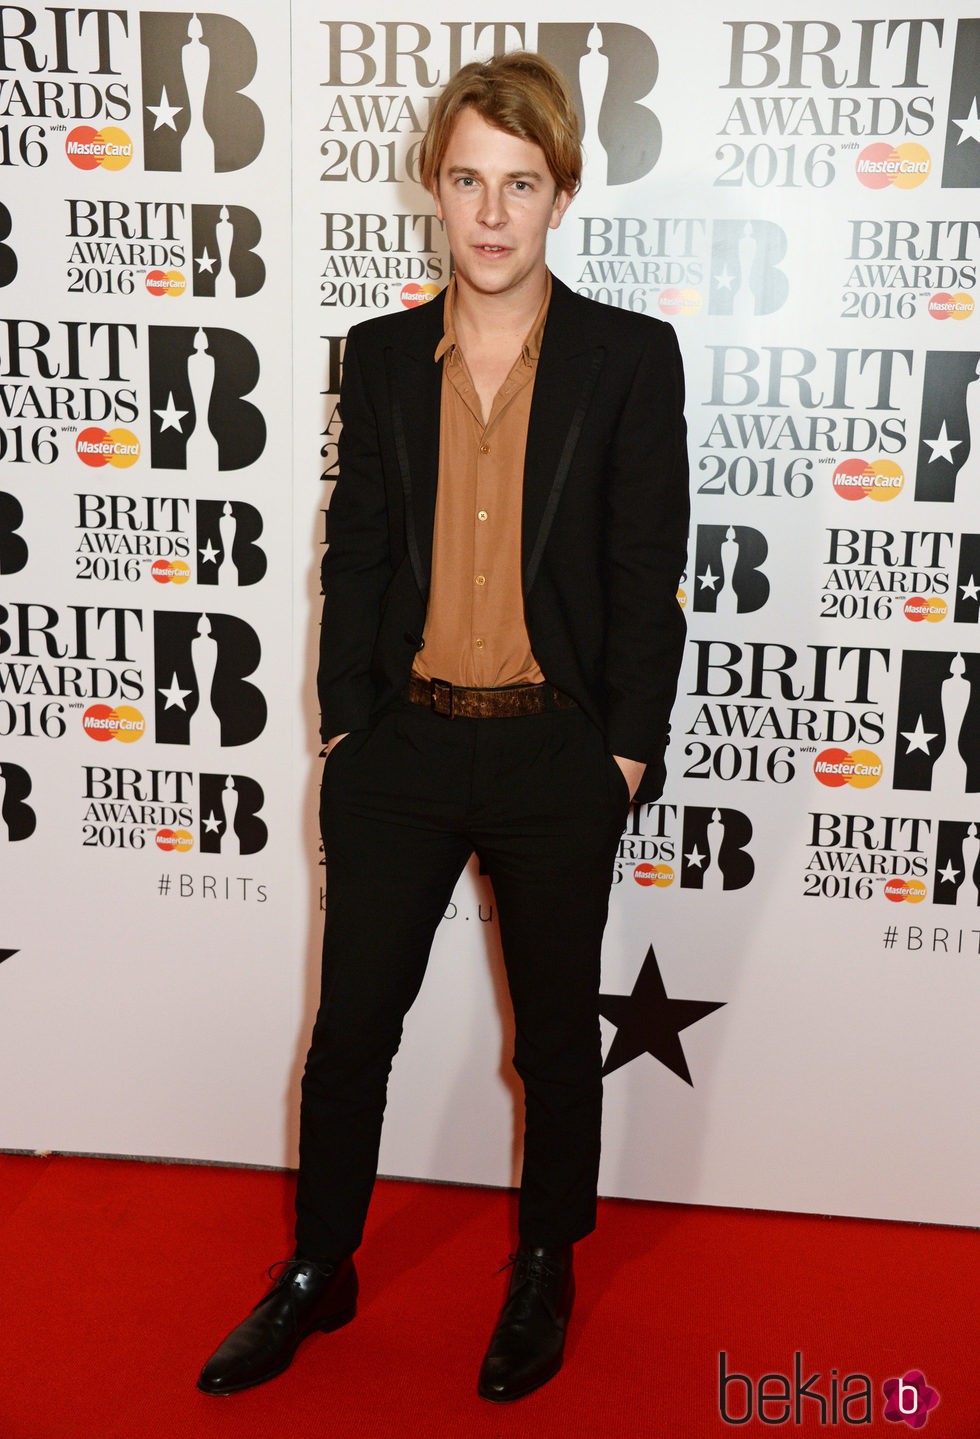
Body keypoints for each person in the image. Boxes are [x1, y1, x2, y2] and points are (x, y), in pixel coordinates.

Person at [198, 49, 689, 1404]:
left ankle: (544, 1263)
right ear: (433, 188)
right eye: (467, 179)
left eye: (519, 184)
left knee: (548, 1043)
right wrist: (346, 731)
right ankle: (320, 1270)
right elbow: (353, 555)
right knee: (351, 1030)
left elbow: (650, 572)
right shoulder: (374, 357)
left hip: (554, 756)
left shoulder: (629, 360)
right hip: (402, 753)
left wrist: (621, 755)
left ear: (560, 194)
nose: (490, 213)